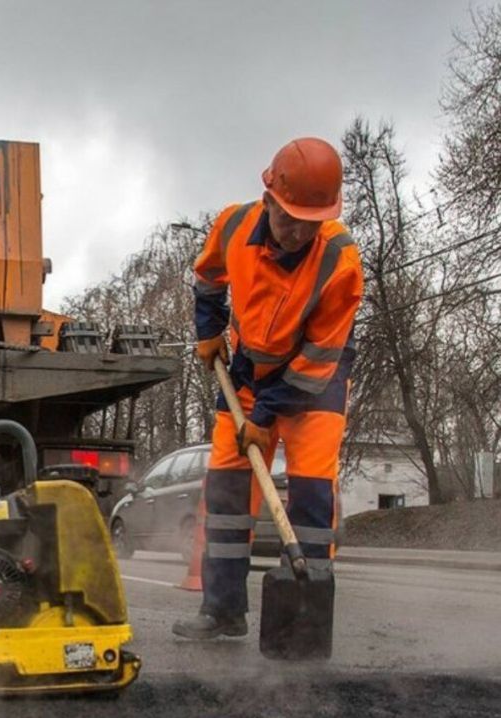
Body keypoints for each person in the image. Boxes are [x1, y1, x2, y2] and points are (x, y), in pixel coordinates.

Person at [172, 137, 363, 640]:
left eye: (311, 221)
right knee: (228, 489)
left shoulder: (340, 262)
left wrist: (264, 418)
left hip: (314, 381)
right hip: (248, 373)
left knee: (311, 494)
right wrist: (210, 329)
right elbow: (208, 276)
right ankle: (223, 610)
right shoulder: (234, 224)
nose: (298, 232)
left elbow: (319, 358)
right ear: (270, 199)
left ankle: (305, 619)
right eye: (288, 218)